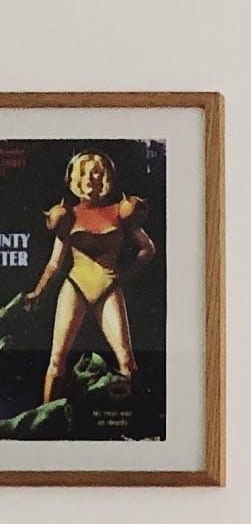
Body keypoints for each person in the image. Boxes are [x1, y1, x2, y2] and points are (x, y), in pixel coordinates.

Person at [23, 150, 156, 403]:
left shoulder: (121, 211)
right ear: (75, 179)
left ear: (104, 178)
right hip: (75, 286)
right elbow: (54, 264)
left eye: (95, 174)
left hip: (108, 286)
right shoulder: (67, 215)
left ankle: (146, 419)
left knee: (126, 359)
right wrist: (38, 291)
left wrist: (126, 276)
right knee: (56, 359)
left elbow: (148, 249)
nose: (90, 179)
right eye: (84, 174)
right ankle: (44, 419)